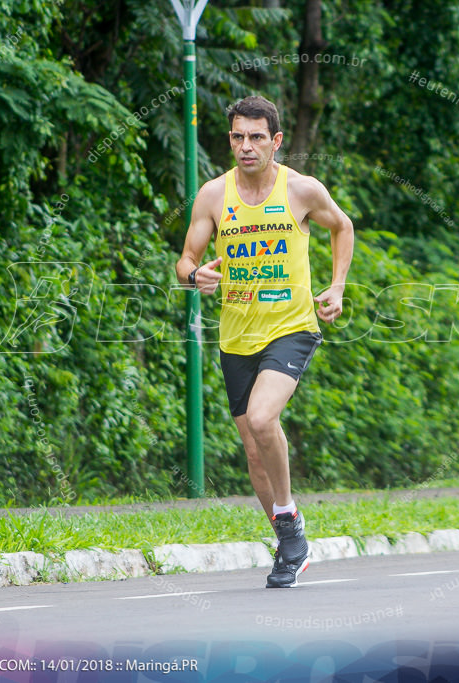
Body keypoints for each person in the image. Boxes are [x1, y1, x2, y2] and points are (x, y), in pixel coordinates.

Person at [175, 95, 354, 587]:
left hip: (291, 326)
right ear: (230, 139)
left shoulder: (301, 189)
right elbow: (186, 259)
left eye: (257, 137)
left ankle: (290, 523)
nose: (246, 146)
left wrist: (336, 286)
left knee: (261, 418)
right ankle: (288, 541)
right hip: (236, 336)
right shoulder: (214, 195)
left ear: (275, 141)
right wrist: (196, 278)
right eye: (238, 136)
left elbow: (343, 227)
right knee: (253, 450)